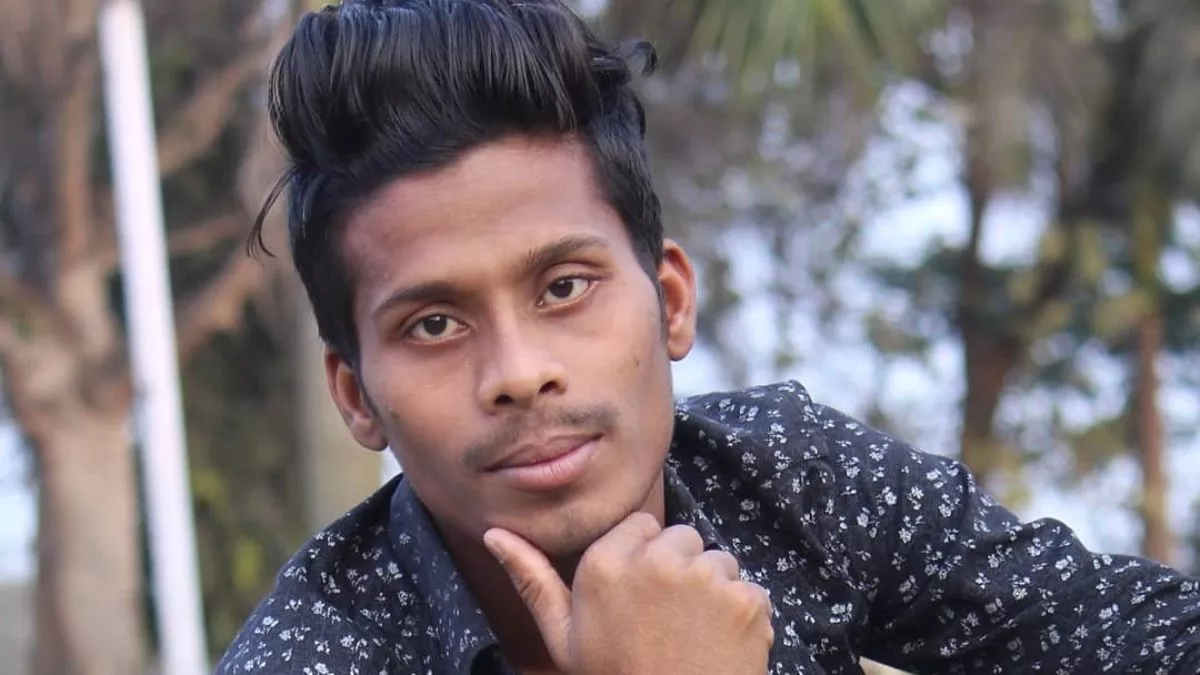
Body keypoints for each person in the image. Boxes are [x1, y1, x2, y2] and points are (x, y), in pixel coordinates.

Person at [215, 1, 1200, 673]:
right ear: (357, 395)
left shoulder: (791, 482)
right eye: (433, 324)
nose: (519, 373)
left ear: (671, 301)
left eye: (565, 287)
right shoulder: (316, 656)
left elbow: (1140, 636)